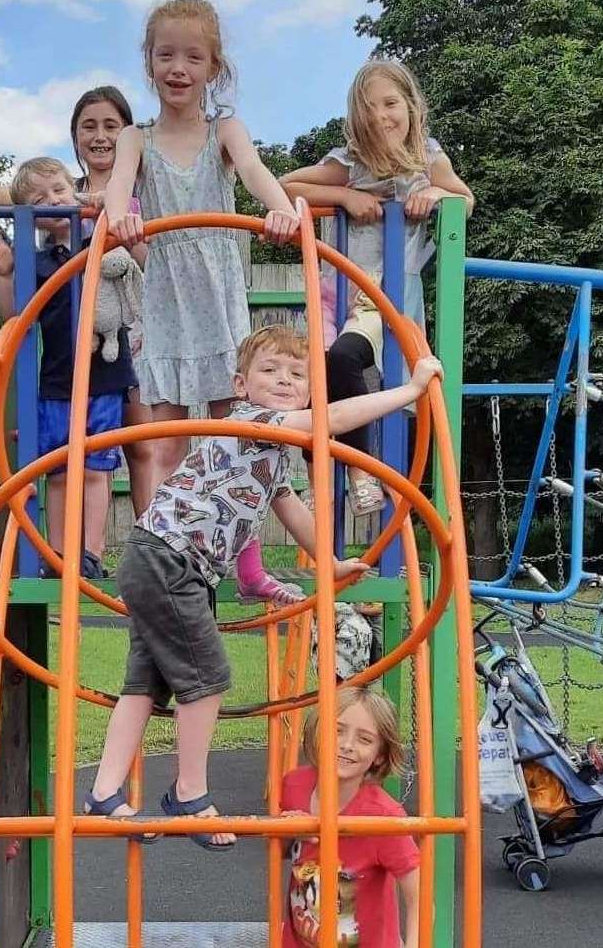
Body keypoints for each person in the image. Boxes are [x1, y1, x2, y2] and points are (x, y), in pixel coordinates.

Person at [84, 325, 442, 850]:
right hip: (168, 558)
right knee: (207, 674)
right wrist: (410, 392)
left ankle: (105, 792)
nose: (283, 380)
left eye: (297, 375)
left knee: (146, 683)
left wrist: (332, 563)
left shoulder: (276, 455)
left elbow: (295, 512)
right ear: (241, 384)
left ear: (308, 389)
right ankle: (189, 793)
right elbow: (334, 421)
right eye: (270, 371)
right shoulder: (253, 422)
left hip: (167, 560)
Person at [104, 0, 305, 607]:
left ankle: (244, 570)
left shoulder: (226, 130)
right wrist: (122, 220)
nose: (179, 67)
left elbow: (252, 171)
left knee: (234, 435)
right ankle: (160, 558)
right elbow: (116, 192)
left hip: (217, 299)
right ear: (149, 62)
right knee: (164, 439)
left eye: (193, 56)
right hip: (167, 301)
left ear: (213, 66)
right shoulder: (136, 139)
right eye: (166, 55)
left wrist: (279, 208)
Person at [281, 60, 473, 516]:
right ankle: (323, 479)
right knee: (317, 376)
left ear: (411, 106)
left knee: (346, 359)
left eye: (391, 104)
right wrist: (345, 197)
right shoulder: (349, 163)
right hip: (336, 291)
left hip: (383, 298)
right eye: (369, 108)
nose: (381, 116)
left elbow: (465, 200)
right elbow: (287, 185)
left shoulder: (426, 159)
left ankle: (361, 472)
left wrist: (437, 196)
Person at [0, 86, 158, 520]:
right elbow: (23, 200)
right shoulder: (71, 193)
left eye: (111, 126)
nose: (100, 136)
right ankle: (83, 551)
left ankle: (151, 541)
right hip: (76, 338)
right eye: (89, 126)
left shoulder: (135, 189)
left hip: (132, 326)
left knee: (142, 441)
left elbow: (149, 256)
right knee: (78, 453)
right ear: (75, 138)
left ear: (128, 135)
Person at [0, 156, 137, 579]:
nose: (53, 201)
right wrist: (4, 273)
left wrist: (91, 202)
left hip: (105, 377)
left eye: (60, 191)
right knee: (56, 470)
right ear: (31, 217)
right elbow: (15, 314)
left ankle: (90, 551)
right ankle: (58, 554)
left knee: (96, 466)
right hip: (56, 381)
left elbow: (121, 206)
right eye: (39, 199)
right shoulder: (37, 261)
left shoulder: (103, 240)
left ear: (76, 191)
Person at [280, 685, 420, 947]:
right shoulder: (294, 787)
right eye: (337, 730)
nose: (346, 745)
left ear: (379, 757)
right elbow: (280, 850)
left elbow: (421, 899)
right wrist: (287, 832)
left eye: (364, 739)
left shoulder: (383, 819)